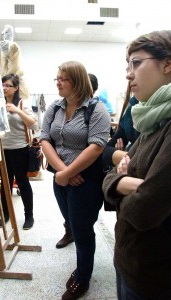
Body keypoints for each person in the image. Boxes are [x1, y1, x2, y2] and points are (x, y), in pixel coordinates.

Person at [102, 30, 171, 300]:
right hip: (132, 262)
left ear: (168, 64)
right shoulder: (153, 118)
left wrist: (124, 186)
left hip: (161, 277)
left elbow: (146, 210)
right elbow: (109, 177)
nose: (129, 74)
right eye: (127, 65)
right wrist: (126, 183)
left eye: (136, 63)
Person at [40, 61, 110, 300]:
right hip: (62, 177)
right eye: (56, 78)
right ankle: (73, 241)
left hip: (86, 179)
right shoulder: (55, 107)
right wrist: (63, 173)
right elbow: (45, 139)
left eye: (63, 79)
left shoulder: (95, 109)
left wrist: (67, 174)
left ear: (77, 81)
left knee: (82, 228)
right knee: (70, 219)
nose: (58, 82)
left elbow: (97, 146)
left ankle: (82, 278)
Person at [0, 73, 38, 230]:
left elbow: (34, 124)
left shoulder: (22, 104)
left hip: (20, 148)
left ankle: (29, 216)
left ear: (16, 88)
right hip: (2, 149)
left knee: (22, 183)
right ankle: (6, 215)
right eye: (2, 85)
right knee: (5, 185)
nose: (4, 88)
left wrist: (18, 111)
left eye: (8, 85)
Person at [102, 84, 140, 173]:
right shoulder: (132, 109)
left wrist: (119, 156)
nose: (129, 75)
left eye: (136, 68)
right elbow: (105, 151)